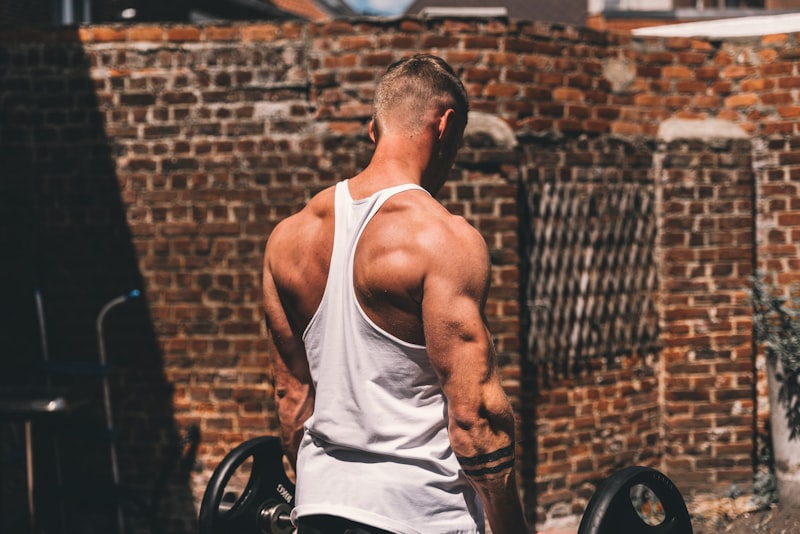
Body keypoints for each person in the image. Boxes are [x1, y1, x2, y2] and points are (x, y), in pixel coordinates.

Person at [262, 54, 530, 534]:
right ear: (445, 127)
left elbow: (291, 395)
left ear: (373, 130)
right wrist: (511, 526)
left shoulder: (288, 237)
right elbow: (474, 417)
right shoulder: (442, 239)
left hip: (320, 506)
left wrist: (316, 496)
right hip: (418, 515)